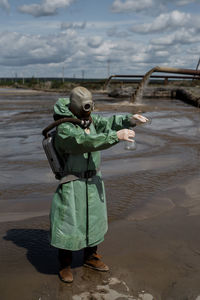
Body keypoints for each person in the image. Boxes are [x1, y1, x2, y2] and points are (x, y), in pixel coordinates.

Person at [50, 86, 148, 283]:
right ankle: (65, 264)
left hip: (93, 180)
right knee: (70, 221)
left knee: (94, 220)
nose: (89, 112)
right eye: (85, 108)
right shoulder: (64, 128)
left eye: (90, 108)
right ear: (74, 107)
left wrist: (130, 119)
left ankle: (90, 257)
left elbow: (109, 122)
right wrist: (116, 137)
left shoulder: (90, 120)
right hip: (73, 182)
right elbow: (83, 142)